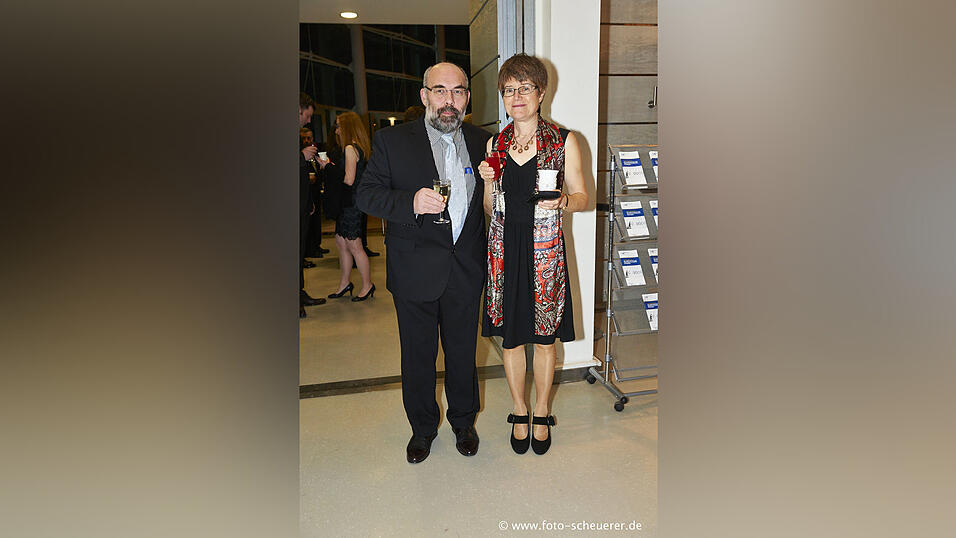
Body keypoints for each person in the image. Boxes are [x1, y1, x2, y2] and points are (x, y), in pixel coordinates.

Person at [355, 62, 492, 464]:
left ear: (467, 97)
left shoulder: (484, 141)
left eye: (457, 92)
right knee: (417, 356)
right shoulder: (392, 141)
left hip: (465, 269)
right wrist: (408, 202)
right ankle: (422, 429)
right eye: (440, 91)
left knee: (463, 353)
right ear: (424, 95)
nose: (449, 101)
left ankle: (464, 423)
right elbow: (366, 194)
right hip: (414, 271)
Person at [476, 53, 588, 455]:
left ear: (541, 93)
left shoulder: (562, 140)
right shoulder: (496, 143)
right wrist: (488, 182)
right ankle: (519, 410)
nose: (517, 96)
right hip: (504, 251)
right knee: (510, 340)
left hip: (545, 255)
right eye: (509, 90)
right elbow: (490, 208)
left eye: (525, 88)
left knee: (543, 339)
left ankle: (542, 410)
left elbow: (582, 196)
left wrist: (562, 201)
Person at [318, 112, 375, 302]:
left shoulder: (350, 148)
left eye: (339, 125)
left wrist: (327, 167)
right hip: (349, 202)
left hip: (351, 203)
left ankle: (367, 285)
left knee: (354, 245)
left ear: (348, 127)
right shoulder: (355, 147)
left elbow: (348, 179)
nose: (337, 129)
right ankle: (345, 283)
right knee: (342, 243)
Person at [299, 93, 326, 317]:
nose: (308, 121)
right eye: (307, 115)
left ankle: (299, 293)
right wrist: (301, 156)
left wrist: (308, 202)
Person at [300, 127, 330, 260]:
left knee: (316, 220)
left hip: (316, 190)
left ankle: (316, 245)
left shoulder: (314, 152)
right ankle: (309, 250)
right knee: (308, 222)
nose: (307, 141)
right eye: (304, 138)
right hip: (306, 191)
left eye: (309, 138)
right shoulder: (301, 153)